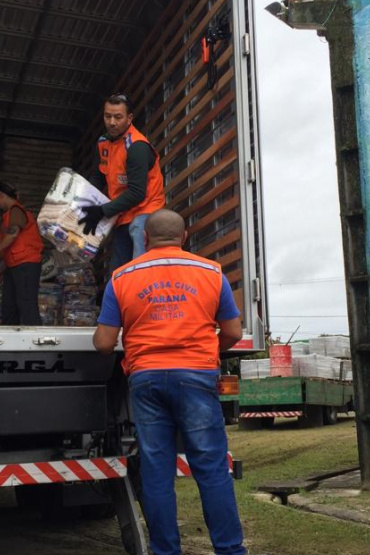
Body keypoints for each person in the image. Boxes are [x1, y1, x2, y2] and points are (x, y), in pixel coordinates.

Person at [92, 209, 246, 555]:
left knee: (157, 472)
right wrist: (206, 349)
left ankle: (165, 551)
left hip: (146, 380)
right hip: (196, 377)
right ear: (185, 236)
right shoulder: (211, 272)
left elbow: (103, 343)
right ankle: (231, 550)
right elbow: (233, 332)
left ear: (144, 238)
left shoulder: (122, 276)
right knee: (211, 469)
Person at [79, 93, 165, 272]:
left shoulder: (136, 147)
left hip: (144, 211)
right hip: (121, 215)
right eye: (107, 116)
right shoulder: (103, 143)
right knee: (119, 273)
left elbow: (136, 193)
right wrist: (84, 202)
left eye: (118, 117)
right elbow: (98, 177)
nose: (111, 122)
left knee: (139, 269)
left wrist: (102, 211)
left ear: (129, 118)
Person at [0, 181, 43, 326]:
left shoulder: (17, 210)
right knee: (9, 307)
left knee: (27, 306)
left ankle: (35, 343)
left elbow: (13, 235)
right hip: (14, 265)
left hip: (26, 263)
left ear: (1, 195)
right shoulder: (9, 215)